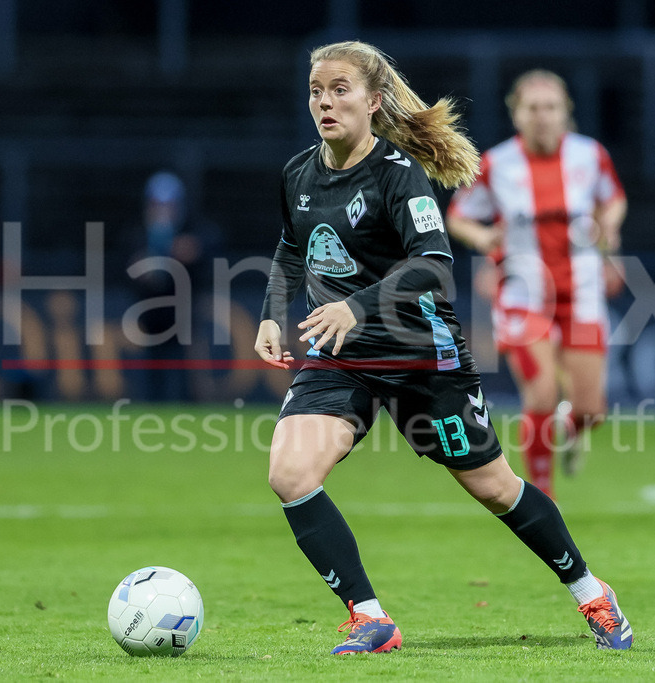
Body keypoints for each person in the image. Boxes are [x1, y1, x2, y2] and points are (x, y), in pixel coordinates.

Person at [255, 41, 632, 655]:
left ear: (374, 102)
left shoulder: (397, 174)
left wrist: (355, 305)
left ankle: (591, 592)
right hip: (341, 356)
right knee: (289, 472)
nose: (325, 101)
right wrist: (272, 316)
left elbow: (433, 265)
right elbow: (291, 247)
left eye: (341, 89)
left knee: (494, 488)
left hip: (420, 358)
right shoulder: (299, 173)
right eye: (317, 90)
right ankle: (370, 618)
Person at [447, 70, 628, 497]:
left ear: (566, 113)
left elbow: (613, 199)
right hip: (522, 291)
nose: (542, 117)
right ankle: (543, 500)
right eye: (533, 108)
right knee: (541, 391)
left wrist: (612, 236)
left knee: (590, 410)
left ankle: (570, 427)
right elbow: (458, 215)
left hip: (581, 288)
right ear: (517, 115)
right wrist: (483, 237)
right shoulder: (496, 163)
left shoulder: (590, 155)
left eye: (551, 107)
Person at [125, 171, 223, 401]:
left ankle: (188, 407)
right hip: (149, 316)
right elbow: (126, 267)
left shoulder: (192, 231)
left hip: (183, 315)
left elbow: (212, 248)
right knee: (152, 375)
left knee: (185, 375)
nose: (162, 210)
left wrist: (193, 252)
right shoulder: (139, 234)